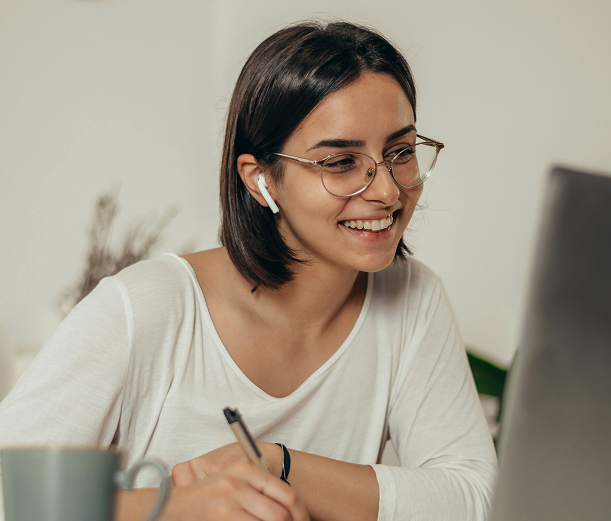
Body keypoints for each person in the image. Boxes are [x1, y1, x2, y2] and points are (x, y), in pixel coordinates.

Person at [0, 21, 497, 521]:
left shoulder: (413, 299)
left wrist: (277, 465)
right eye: (341, 161)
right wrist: (170, 508)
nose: (387, 191)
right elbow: (9, 497)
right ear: (260, 179)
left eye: (401, 153)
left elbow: (474, 499)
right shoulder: (145, 309)